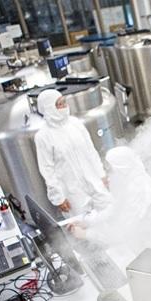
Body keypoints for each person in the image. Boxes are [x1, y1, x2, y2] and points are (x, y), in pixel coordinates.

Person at [68, 146, 151, 256]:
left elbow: (123, 232)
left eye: (110, 169)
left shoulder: (137, 189)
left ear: (121, 168)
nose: (108, 175)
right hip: (147, 241)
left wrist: (86, 234)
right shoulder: (132, 180)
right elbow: (115, 208)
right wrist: (88, 222)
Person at [34, 89, 111, 218]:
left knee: (110, 214)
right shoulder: (43, 136)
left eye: (64, 102)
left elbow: (91, 151)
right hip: (73, 192)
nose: (64, 107)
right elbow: (48, 170)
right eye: (59, 104)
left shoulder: (75, 123)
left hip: (93, 181)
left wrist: (101, 174)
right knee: (85, 227)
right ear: (48, 108)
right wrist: (58, 197)